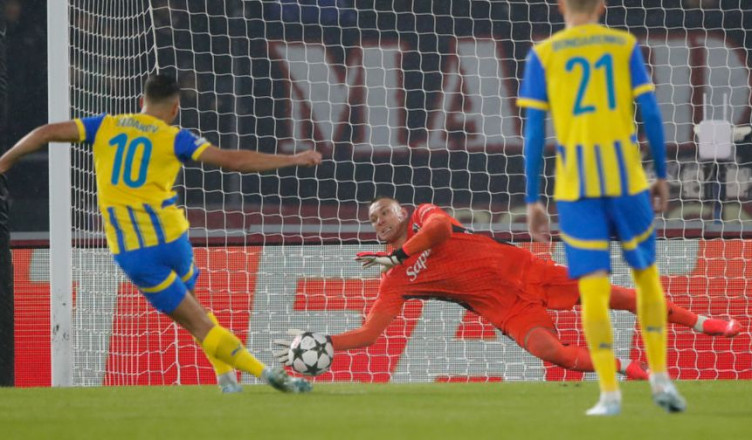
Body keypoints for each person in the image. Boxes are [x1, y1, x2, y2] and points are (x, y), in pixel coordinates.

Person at [0, 73, 320, 393]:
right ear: (175, 109)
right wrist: (293, 158)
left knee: (197, 323)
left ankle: (269, 376)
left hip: (137, 254)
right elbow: (233, 161)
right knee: (197, 310)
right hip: (173, 239)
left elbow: (44, 133)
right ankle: (226, 379)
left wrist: (5, 161)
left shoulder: (106, 125)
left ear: (142, 102)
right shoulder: (174, 137)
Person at [274, 197, 739, 382]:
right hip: (505, 309)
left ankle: (703, 323)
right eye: (373, 219)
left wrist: (399, 253)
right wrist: (324, 344)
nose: (380, 222)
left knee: (611, 295)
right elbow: (372, 332)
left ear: (399, 212)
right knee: (552, 353)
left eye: (384, 213)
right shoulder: (395, 280)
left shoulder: (421, 217)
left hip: (529, 272)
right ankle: (627, 369)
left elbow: (438, 230)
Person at [518, 0, 685, 415]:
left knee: (593, 289)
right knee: (646, 278)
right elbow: (650, 111)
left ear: (560, 6)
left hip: (576, 189)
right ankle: (662, 378)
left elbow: (535, 130)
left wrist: (532, 198)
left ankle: (610, 394)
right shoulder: (622, 44)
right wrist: (661, 174)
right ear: (602, 5)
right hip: (627, 181)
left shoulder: (543, 54)